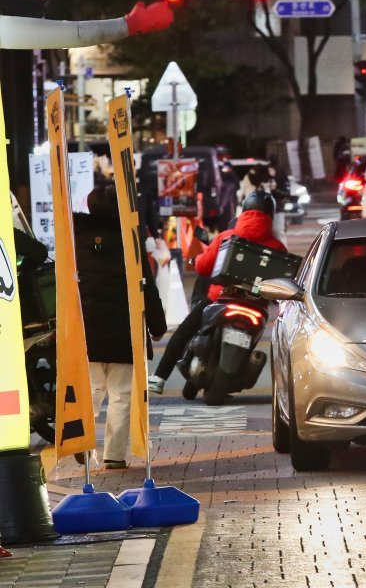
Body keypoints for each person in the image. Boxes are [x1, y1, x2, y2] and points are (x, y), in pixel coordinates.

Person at [148, 191, 287, 393]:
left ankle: (159, 377)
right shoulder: (277, 246)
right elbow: (281, 282)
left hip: (221, 298)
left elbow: (203, 267)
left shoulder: (227, 237)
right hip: (256, 307)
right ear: (271, 215)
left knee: (184, 331)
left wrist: (198, 262)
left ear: (245, 209)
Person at [75, 183, 168, 469]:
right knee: (121, 394)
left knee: (91, 390)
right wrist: (157, 324)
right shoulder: (130, 241)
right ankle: (113, 455)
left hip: (86, 328)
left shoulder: (76, 239)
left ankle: (83, 442)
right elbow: (146, 286)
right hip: (124, 330)